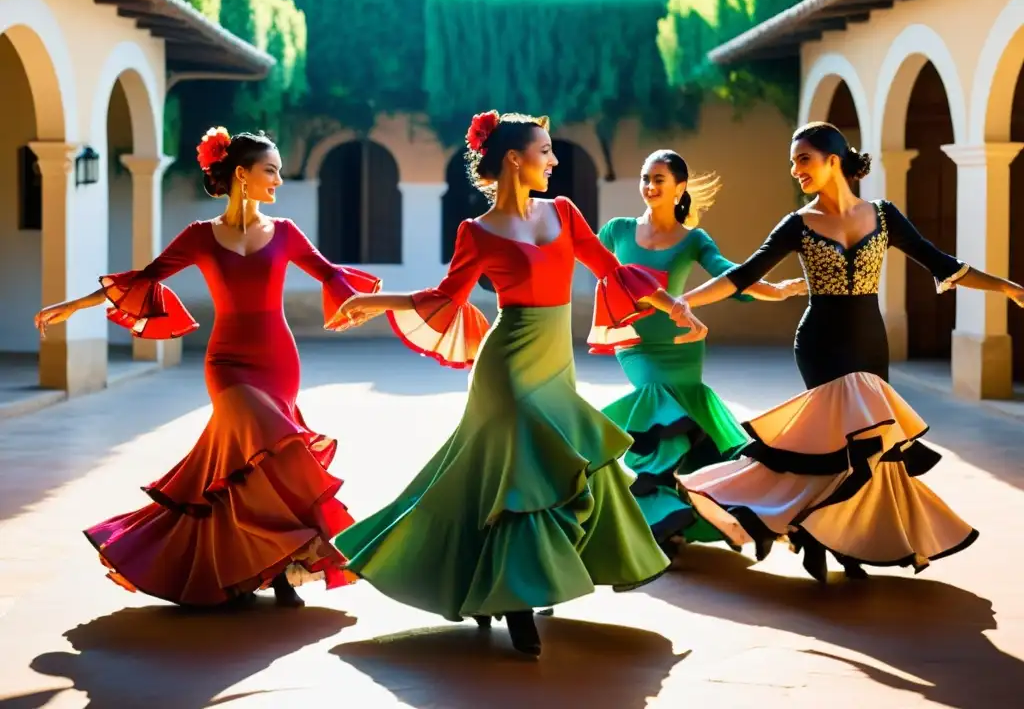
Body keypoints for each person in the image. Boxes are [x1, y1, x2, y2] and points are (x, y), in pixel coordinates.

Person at [329, 111, 690, 657]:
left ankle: (526, 582)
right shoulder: (476, 232)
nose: (554, 159)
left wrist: (673, 304)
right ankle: (518, 605)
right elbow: (444, 298)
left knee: (552, 467)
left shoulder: (564, 213)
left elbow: (609, 270)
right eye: (545, 150)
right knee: (519, 475)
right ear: (514, 159)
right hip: (507, 368)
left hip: (555, 366)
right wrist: (374, 301)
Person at [34, 127, 381, 607]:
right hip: (227, 363)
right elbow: (145, 279)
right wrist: (74, 306)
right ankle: (269, 563)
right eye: (271, 170)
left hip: (277, 360)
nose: (279, 180)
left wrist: (398, 305)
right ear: (242, 174)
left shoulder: (285, 233)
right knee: (253, 442)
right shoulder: (199, 237)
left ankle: (273, 569)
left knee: (256, 465)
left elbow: (332, 275)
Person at [669, 121, 1024, 582]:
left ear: (833, 160)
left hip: (871, 345)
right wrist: (685, 300)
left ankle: (844, 540)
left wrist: (1010, 288)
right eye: (793, 162)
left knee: (869, 451)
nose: (795, 170)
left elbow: (943, 264)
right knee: (827, 449)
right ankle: (815, 534)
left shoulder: (884, 215)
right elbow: (745, 275)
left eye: (803, 159)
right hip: (821, 345)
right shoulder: (798, 224)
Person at [593, 149, 806, 557]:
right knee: (656, 403)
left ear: (680, 187)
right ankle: (661, 514)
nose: (649, 186)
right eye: (645, 178)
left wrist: (774, 290)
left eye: (659, 179)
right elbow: (580, 255)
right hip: (636, 346)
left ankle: (691, 516)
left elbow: (730, 273)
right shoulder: (617, 230)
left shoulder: (693, 239)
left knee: (682, 423)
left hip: (682, 345)